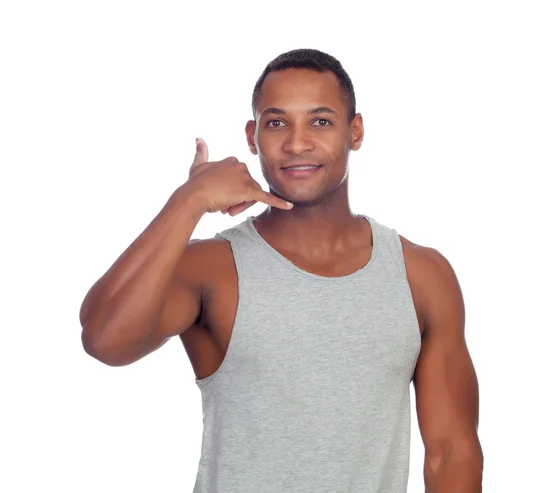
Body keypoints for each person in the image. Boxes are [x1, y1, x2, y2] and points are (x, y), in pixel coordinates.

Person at [79, 48, 484, 492]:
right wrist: (188, 202)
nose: (296, 143)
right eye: (277, 123)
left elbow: (451, 453)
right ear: (253, 137)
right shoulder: (211, 268)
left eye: (320, 121)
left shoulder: (421, 275)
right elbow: (104, 341)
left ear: (356, 131)